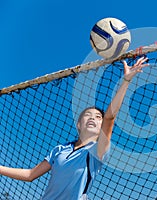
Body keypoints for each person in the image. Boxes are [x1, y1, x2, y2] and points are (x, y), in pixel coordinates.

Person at [0, 57, 149, 199]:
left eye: (98, 117)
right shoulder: (59, 149)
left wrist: (126, 80)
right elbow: (30, 175)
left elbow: (109, 117)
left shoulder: (98, 151)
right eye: (88, 115)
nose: (92, 118)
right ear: (78, 124)